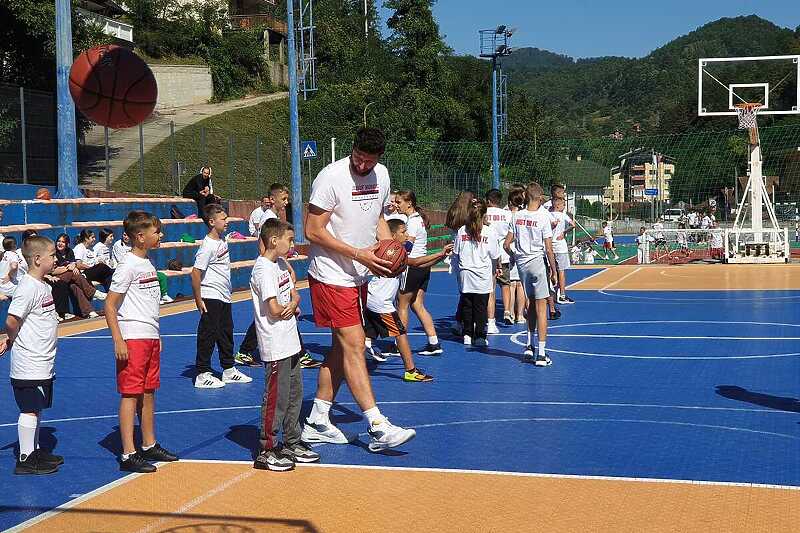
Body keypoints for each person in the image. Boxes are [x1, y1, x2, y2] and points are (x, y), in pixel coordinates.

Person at [301, 127, 416, 452]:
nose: (363, 166)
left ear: (379, 158)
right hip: (331, 274)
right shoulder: (331, 177)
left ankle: (317, 420)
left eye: (369, 161)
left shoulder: (381, 175)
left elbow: (378, 217)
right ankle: (378, 426)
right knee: (354, 345)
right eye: (358, 159)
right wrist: (358, 253)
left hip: (359, 275)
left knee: (341, 349)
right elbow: (312, 230)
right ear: (352, 150)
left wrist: (387, 247)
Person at [105, 211, 178, 473]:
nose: (160, 235)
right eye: (156, 232)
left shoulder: (146, 263)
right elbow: (110, 305)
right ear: (140, 236)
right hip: (132, 338)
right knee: (130, 394)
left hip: (149, 337)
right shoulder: (127, 266)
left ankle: (149, 444)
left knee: (148, 392)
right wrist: (118, 340)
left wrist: (156, 336)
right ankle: (128, 453)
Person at [251, 219, 321, 470]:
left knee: (294, 394)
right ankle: (266, 448)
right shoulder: (263, 270)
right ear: (273, 240)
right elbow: (274, 309)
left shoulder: (280, 264)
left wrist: (293, 301)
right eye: (289, 240)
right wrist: (291, 305)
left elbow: (294, 294)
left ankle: (292, 440)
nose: (292, 244)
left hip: (290, 340)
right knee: (276, 398)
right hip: (275, 343)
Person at [235, 184, 322, 370]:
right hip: (271, 268)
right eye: (283, 199)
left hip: (275, 266)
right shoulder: (269, 218)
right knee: (276, 310)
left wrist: (283, 265)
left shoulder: (273, 217)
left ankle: (245, 350)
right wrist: (278, 266)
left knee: (270, 312)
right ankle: (301, 354)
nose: (286, 202)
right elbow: (263, 247)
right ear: (272, 199)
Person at [2, 236, 63, 474]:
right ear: (37, 259)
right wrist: (13, 340)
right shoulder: (27, 287)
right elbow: (11, 320)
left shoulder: (42, 286)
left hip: (43, 360)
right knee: (29, 408)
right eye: (52, 255)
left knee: (36, 408)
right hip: (29, 362)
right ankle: (26, 459)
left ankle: (35, 450)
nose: (56, 258)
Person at [364, 219, 447, 380]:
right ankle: (410, 370)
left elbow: (417, 263)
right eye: (403, 232)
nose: (407, 235)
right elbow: (416, 262)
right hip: (381, 302)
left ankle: (354, 360)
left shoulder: (397, 251)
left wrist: (440, 255)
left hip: (372, 297)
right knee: (400, 333)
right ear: (393, 235)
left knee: (366, 333)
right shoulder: (390, 252)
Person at [192, 204, 253, 389]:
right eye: (223, 219)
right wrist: (198, 299)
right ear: (211, 222)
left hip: (224, 295)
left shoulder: (222, 241)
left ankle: (228, 369)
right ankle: (202, 373)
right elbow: (195, 273)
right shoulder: (207, 246)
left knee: (226, 332)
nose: (227, 222)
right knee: (208, 334)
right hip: (211, 295)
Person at [504, 182, 558, 366]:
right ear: (540, 198)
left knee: (531, 304)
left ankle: (528, 345)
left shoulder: (516, 216)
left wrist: (515, 256)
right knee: (542, 307)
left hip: (522, 264)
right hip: (537, 262)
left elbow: (506, 244)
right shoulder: (543, 218)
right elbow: (549, 249)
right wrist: (553, 270)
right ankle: (541, 354)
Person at [396, 190, 443, 356]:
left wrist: (394, 250)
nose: (397, 205)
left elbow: (408, 246)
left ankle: (399, 345)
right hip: (423, 267)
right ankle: (434, 343)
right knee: (417, 305)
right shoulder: (419, 219)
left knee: (401, 306)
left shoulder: (413, 222)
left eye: (399, 202)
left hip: (412, 266)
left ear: (409, 203)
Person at [454, 200, 500, 347]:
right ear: (484, 214)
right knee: (480, 307)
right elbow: (494, 254)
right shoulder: (489, 231)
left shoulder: (462, 230)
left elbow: (456, 252)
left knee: (467, 305)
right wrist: (497, 266)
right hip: (482, 274)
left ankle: (467, 334)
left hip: (465, 272)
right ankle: (479, 335)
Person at [445, 191, 476, 336]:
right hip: (468, 254)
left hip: (456, 256)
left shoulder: (454, 212)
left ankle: (460, 321)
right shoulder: (469, 216)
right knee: (470, 293)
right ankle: (463, 322)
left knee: (464, 291)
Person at [53, 234, 104, 318]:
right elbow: (53, 271)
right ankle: (92, 292)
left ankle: (88, 311)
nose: (60, 243)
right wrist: (68, 268)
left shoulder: (69, 251)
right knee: (73, 273)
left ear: (67, 244)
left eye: (63, 242)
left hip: (69, 280)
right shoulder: (54, 253)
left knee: (75, 287)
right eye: (59, 241)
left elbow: (73, 263)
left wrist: (73, 266)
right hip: (56, 277)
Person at [485, 189, 511, 332]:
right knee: (506, 284)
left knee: (491, 289)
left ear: (488, 200)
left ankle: (490, 318)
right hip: (504, 253)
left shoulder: (483, 214)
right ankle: (507, 311)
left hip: (488, 255)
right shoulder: (506, 214)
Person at [505, 185, 527, 324]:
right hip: (521, 251)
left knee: (511, 284)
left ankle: (511, 313)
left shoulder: (504, 214)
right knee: (520, 285)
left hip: (508, 251)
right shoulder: (524, 215)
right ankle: (520, 315)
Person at [550, 197, 575, 304]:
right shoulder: (563, 215)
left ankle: (551, 294)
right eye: (563, 205)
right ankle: (562, 294)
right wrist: (564, 233)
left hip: (550, 246)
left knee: (551, 270)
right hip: (560, 246)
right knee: (561, 272)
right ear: (558, 206)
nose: (564, 207)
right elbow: (573, 225)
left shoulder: (548, 215)